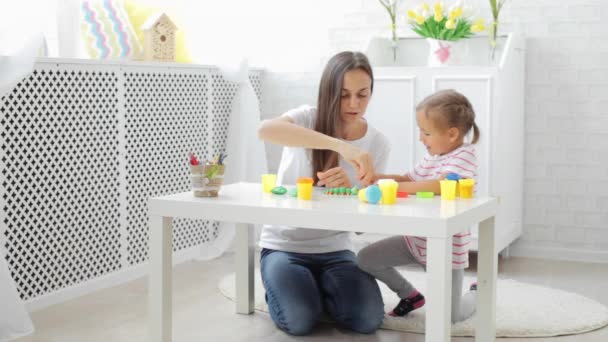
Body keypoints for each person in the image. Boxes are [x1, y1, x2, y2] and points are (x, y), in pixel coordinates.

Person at [256, 51, 390, 335]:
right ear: (329, 92)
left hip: (336, 250)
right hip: (284, 246)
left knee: (367, 319)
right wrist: (341, 146)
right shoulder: (307, 118)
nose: (354, 104)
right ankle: (295, 290)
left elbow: (366, 221)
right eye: (343, 95)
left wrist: (349, 193)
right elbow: (266, 130)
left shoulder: (378, 143)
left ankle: (313, 288)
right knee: (300, 320)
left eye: (362, 94)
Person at [357, 89, 480, 323]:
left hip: (446, 249)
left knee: (451, 316)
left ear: (452, 134)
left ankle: (477, 294)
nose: (420, 138)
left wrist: (396, 189)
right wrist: (379, 178)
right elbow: (408, 179)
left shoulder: (465, 155)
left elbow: (441, 184)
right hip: (415, 241)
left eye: (426, 132)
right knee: (365, 258)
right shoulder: (431, 157)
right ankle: (409, 295)